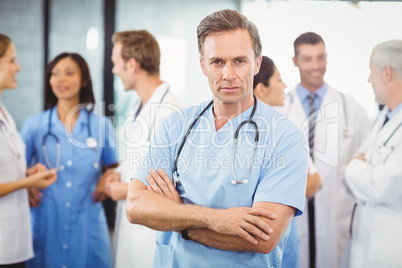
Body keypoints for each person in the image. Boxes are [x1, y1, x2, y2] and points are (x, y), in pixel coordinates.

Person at [125, 9, 308, 267]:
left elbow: (262, 237)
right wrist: (215, 219)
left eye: (239, 61)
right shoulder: (175, 127)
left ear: (256, 63)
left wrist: (179, 221)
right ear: (203, 65)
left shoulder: (285, 138)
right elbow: (135, 205)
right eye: (217, 62)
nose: (228, 74)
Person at [275, 32, 370, 268]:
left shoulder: (352, 110)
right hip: (292, 224)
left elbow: (366, 163)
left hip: (337, 218)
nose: (316, 66)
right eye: (307, 59)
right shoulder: (279, 110)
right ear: (295, 61)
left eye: (321, 58)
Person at [19, 53, 118, 268]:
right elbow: (15, 171)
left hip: (88, 223)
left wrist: (108, 177)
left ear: (83, 80)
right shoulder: (34, 125)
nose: (60, 79)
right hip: (46, 223)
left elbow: (114, 166)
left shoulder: (101, 126)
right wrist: (27, 184)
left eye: (69, 73)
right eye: (54, 74)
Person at [105, 30, 183, 267]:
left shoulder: (171, 111)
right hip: (132, 227)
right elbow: (137, 160)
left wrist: (124, 190)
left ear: (132, 64)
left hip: (151, 234)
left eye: (116, 64)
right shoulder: (137, 106)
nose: (113, 70)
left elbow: (177, 183)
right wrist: (118, 173)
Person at [253, 56, 322, 268]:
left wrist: (276, 196)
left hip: (281, 240)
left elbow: (315, 181)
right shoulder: (233, 130)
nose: (284, 86)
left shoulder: (285, 132)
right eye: (278, 80)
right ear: (261, 89)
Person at [0, 33, 57, 268]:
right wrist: (27, 183)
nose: (18, 67)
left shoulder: (5, 114)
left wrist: (26, 174)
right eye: (12, 60)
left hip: (15, 243)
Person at [344, 39, 402, 268]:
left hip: (390, 249)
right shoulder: (384, 117)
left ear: (387, 73)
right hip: (367, 242)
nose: (369, 79)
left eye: (371, 72)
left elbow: (382, 186)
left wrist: (355, 166)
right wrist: (363, 168)